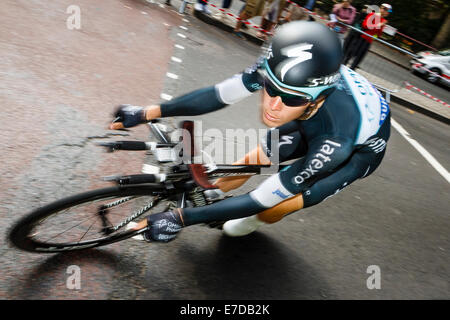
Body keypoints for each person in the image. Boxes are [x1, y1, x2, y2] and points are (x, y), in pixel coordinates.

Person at [110, 21, 391, 242]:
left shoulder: (337, 140)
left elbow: (263, 196)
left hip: (358, 151)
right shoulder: (281, 69)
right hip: (313, 116)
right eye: (270, 88)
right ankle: (213, 201)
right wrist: (146, 112)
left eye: (291, 98)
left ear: (318, 97)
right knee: (247, 164)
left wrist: (180, 219)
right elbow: (220, 95)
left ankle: (250, 223)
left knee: (274, 208)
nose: (273, 105)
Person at [348, 3, 392, 70]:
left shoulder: (383, 21)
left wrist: (380, 26)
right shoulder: (373, 15)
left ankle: (352, 69)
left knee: (359, 58)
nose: (387, 13)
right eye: (386, 10)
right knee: (351, 53)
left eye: (389, 11)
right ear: (381, 9)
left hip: (369, 40)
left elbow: (378, 34)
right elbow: (366, 25)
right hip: (361, 37)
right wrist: (379, 25)